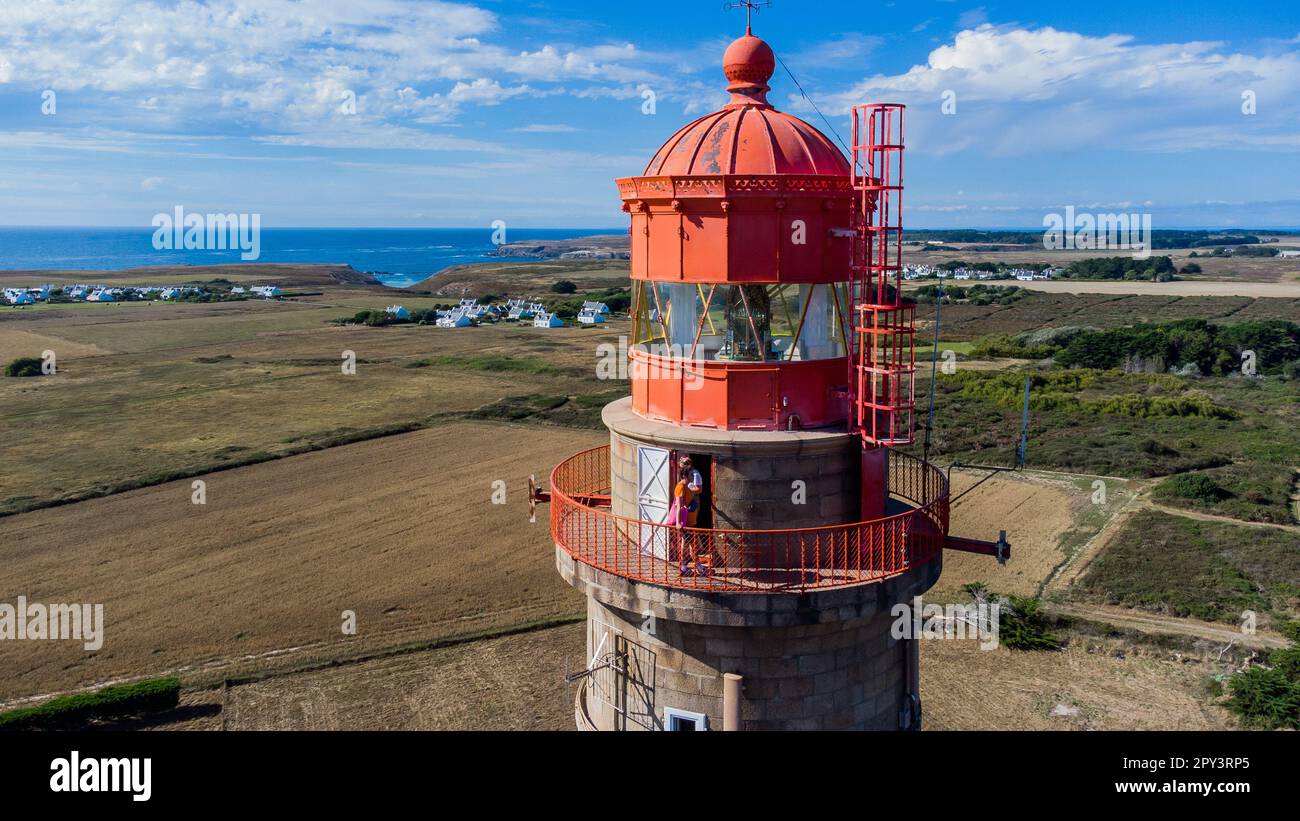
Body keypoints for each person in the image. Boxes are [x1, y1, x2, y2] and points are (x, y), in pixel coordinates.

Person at [678, 455, 702, 527]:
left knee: (691, 523)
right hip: (684, 500)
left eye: (681, 464)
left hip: (692, 500)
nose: (680, 466)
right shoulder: (683, 473)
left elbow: (699, 490)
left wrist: (687, 490)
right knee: (684, 522)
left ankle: (694, 538)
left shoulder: (695, 474)